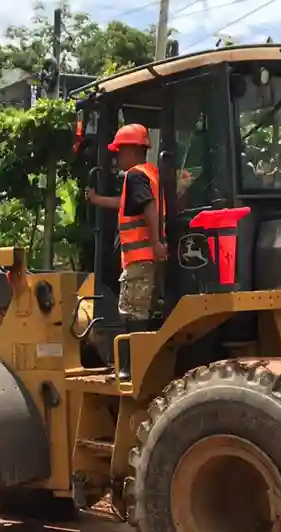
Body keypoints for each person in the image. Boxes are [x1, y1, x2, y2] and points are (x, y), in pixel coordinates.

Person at [84, 123, 167, 380]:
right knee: (141, 310)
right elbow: (126, 204)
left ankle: (131, 370)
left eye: (119, 151)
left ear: (132, 150)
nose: (117, 157)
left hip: (140, 258)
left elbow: (148, 206)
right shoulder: (150, 174)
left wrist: (155, 241)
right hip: (147, 258)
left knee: (132, 313)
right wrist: (97, 200)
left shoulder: (135, 176)